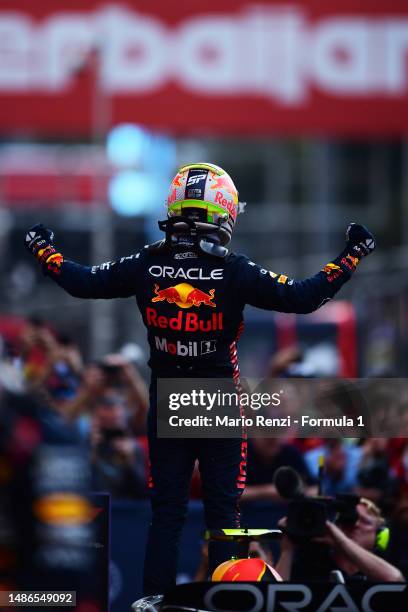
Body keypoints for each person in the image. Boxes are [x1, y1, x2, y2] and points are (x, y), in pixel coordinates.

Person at [25, 162, 376, 595]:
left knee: (166, 514)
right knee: (223, 517)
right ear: (221, 210)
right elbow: (304, 297)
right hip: (217, 399)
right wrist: (354, 253)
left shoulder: (146, 264)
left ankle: (154, 601)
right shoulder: (234, 269)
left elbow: (79, 281)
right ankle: (227, 599)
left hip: (167, 395)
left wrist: (42, 248)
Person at [276, 498, 405, 583]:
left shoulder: (389, 563)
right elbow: (273, 598)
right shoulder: (311, 564)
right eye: (347, 520)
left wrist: (341, 540)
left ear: (380, 533)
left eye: (365, 521)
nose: (355, 525)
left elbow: (395, 581)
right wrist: (287, 551)